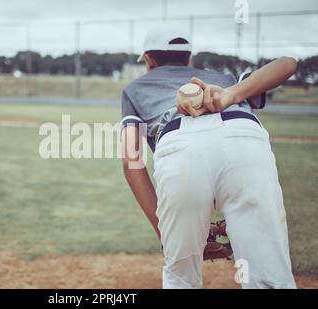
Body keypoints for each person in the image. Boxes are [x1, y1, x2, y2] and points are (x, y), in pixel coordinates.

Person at [121, 24, 298, 289]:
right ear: (189, 57)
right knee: (270, 279)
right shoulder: (221, 79)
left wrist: (167, 233)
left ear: (149, 60)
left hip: (177, 144)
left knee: (181, 278)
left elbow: (131, 161)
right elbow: (288, 63)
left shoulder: (134, 89)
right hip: (241, 135)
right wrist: (232, 94)